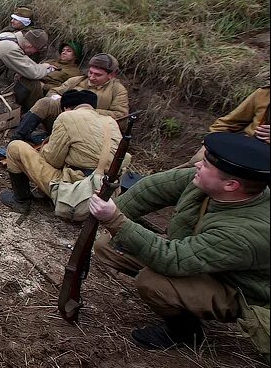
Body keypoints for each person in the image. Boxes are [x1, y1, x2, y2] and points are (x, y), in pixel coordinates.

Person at [89, 132, 269, 352]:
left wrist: (114, 219)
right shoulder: (211, 185)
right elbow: (152, 189)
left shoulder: (245, 233)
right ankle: (180, 298)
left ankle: (184, 331)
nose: (198, 166)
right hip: (198, 257)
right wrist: (104, 216)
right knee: (109, 246)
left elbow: (171, 259)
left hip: (236, 288)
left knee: (153, 282)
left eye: (205, 165)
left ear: (231, 185)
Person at [0, 89, 121, 213]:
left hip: (76, 194)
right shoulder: (110, 122)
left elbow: (52, 160)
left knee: (15, 147)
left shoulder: (67, 117)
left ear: (66, 108)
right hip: (105, 194)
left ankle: (20, 201)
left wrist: (44, 148)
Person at [14, 52, 128, 143]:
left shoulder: (117, 90)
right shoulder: (76, 81)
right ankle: (18, 137)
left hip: (88, 131)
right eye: (90, 72)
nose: (92, 77)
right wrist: (62, 101)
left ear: (111, 75)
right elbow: (53, 92)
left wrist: (87, 111)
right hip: (63, 120)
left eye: (98, 75)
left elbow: (121, 118)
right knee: (45, 102)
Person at [179, 83, 270, 167]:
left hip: (264, 159)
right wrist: (210, 142)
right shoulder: (264, 94)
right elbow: (229, 122)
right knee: (196, 164)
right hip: (247, 146)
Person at [14, 40, 83, 111]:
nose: (64, 52)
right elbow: (35, 69)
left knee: (30, 82)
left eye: (68, 51)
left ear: (75, 56)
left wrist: (44, 86)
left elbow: (65, 89)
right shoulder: (51, 61)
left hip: (45, 93)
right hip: (34, 82)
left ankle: (25, 110)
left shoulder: (74, 72)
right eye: (63, 50)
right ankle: (16, 107)